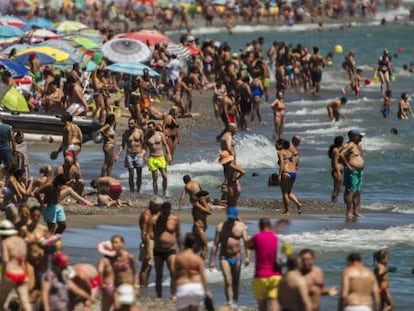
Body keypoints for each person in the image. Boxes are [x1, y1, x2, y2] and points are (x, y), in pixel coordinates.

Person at [209, 206, 250, 308]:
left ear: (236, 216)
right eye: (229, 217)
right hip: (224, 257)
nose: (230, 219)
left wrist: (248, 257)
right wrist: (212, 261)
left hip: (237, 257)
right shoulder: (220, 227)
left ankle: (235, 301)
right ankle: (230, 302)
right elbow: (215, 244)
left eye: (232, 217)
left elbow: (246, 243)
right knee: (228, 281)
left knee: (235, 281)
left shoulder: (241, 227)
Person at [246, 218, 282, 311]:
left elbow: (247, 245)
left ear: (259, 226)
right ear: (269, 226)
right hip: (275, 275)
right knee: (274, 303)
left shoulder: (257, 237)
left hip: (261, 275)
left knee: (262, 306)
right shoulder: (275, 237)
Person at [149, 202, 183, 299]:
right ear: (161, 211)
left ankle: (173, 295)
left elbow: (179, 235)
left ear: (170, 210)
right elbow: (149, 234)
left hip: (170, 250)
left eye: (167, 213)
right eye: (164, 213)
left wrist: (181, 249)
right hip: (158, 250)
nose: (165, 215)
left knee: (173, 272)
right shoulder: (155, 219)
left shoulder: (174, 219)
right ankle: (159, 296)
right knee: (158, 274)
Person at [174, 233, 212, 311]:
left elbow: (175, 276)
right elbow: (203, 277)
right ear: (194, 244)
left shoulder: (179, 258)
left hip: (183, 287)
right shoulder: (197, 259)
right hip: (195, 287)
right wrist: (207, 291)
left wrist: (173, 292)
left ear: (184, 243)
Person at [0, 220, 31, 311]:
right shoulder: (21, 241)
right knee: (25, 303)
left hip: (10, 274)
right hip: (22, 274)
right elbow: (23, 260)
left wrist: (3, 275)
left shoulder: (5, 242)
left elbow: (5, 260)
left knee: (1, 302)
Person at [138, 196, 163, 287]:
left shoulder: (152, 213)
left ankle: (145, 285)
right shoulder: (146, 215)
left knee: (149, 266)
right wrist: (147, 247)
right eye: (159, 207)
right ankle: (143, 287)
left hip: (152, 242)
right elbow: (144, 233)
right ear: (154, 206)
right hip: (149, 242)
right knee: (146, 267)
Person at [340, 130, 365, 219]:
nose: (361, 137)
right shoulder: (350, 145)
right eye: (359, 136)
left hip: (358, 172)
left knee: (357, 192)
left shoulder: (358, 145)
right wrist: (348, 166)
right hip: (352, 171)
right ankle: (348, 212)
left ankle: (356, 211)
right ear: (353, 136)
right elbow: (341, 154)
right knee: (350, 191)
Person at [109, 235, 139, 307]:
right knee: (117, 306)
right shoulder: (112, 258)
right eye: (112, 243)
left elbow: (135, 272)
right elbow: (110, 274)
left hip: (128, 286)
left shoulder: (129, 257)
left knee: (130, 307)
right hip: (117, 286)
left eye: (116, 242)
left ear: (122, 243)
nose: (114, 244)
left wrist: (136, 287)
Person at [118, 118, 145, 193]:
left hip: (138, 154)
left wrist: (143, 154)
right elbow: (122, 145)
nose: (130, 125)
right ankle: (132, 190)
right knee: (131, 174)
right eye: (129, 124)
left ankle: (138, 190)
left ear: (135, 124)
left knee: (139, 174)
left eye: (132, 123)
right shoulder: (126, 133)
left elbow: (144, 145)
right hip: (129, 155)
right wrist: (118, 155)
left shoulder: (140, 132)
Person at [144, 121, 172, 195]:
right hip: (152, 158)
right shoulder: (146, 136)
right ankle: (155, 193)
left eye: (151, 127)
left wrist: (169, 154)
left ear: (154, 127)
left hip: (160, 157)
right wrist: (143, 156)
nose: (149, 129)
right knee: (155, 178)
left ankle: (164, 192)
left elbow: (165, 145)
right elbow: (144, 148)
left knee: (164, 176)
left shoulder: (160, 134)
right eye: (148, 127)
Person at [277, 139, 302, 214]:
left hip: (286, 173)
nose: (275, 145)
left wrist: (279, 174)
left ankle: (286, 210)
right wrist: (296, 167)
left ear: (281, 145)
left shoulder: (280, 152)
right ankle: (298, 204)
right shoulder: (290, 152)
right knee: (289, 192)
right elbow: (295, 161)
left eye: (277, 144)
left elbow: (282, 163)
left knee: (284, 192)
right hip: (293, 173)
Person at [328, 136, 344, 203]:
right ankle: (334, 201)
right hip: (337, 171)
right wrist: (338, 173)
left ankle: (335, 201)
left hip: (338, 171)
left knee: (337, 188)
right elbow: (334, 162)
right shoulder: (336, 150)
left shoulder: (336, 149)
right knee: (336, 188)